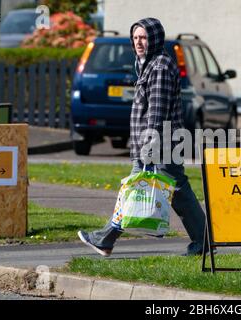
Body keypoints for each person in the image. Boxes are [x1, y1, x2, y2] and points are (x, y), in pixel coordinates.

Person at [77, 17, 206, 257]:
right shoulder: (147, 63)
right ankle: (203, 240)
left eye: (144, 37)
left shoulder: (159, 67)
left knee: (166, 189)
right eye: (135, 37)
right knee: (163, 189)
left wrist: (148, 148)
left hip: (159, 143)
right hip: (153, 143)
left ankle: (106, 239)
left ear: (155, 39)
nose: (138, 42)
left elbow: (157, 111)